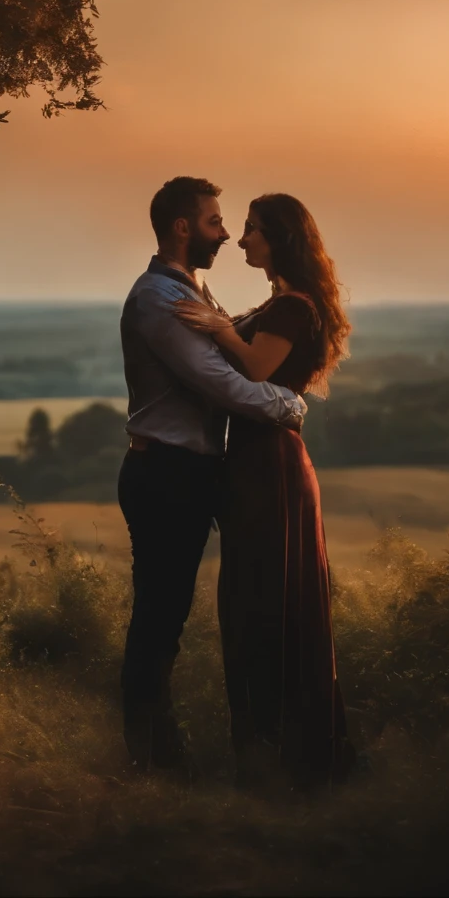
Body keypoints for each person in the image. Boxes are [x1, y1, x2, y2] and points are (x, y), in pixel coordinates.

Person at [119, 176, 307, 776]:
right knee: (159, 613)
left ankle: (159, 750)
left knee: (168, 612)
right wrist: (292, 405)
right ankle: (149, 756)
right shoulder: (161, 298)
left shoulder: (195, 291)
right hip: (166, 472)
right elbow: (224, 383)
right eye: (214, 222)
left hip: (191, 473)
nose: (226, 233)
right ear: (182, 228)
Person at [174, 192, 355, 788]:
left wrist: (220, 327)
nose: (242, 239)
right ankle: (265, 752)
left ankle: (287, 757)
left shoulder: (294, 308)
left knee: (269, 604)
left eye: (251, 229)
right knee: (252, 602)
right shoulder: (279, 301)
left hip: (272, 466)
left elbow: (253, 369)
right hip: (255, 462)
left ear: (279, 237)